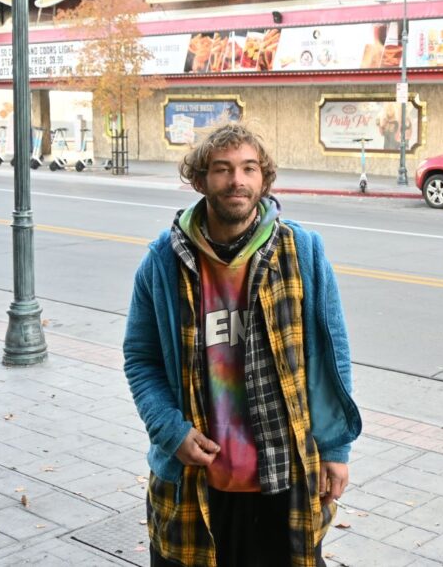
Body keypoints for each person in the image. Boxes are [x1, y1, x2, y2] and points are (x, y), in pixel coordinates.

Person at [123, 123, 361, 567]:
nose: (237, 180)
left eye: (249, 168)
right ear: (200, 180)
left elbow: (332, 356)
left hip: (284, 477)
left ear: (264, 179)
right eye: (223, 169)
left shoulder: (302, 251)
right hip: (195, 482)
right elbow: (141, 357)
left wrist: (335, 449)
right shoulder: (163, 261)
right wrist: (168, 430)